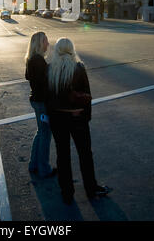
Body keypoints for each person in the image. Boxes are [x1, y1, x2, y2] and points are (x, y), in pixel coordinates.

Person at [45, 37, 111, 204]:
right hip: (77, 118)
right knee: (85, 153)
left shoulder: (50, 69)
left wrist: (52, 116)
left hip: (58, 119)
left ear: (57, 50)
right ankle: (91, 188)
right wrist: (86, 117)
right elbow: (87, 95)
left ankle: (67, 191)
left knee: (63, 155)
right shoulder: (78, 68)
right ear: (71, 49)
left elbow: (48, 98)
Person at [25, 31, 56, 179]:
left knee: (40, 132)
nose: (48, 44)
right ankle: (44, 168)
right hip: (42, 102)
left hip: (36, 100)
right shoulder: (38, 61)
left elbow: (29, 76)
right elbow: (44, 84)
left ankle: (34, 164)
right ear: (39, 43)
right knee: (45, 135)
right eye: (45, 41)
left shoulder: (32, 59)